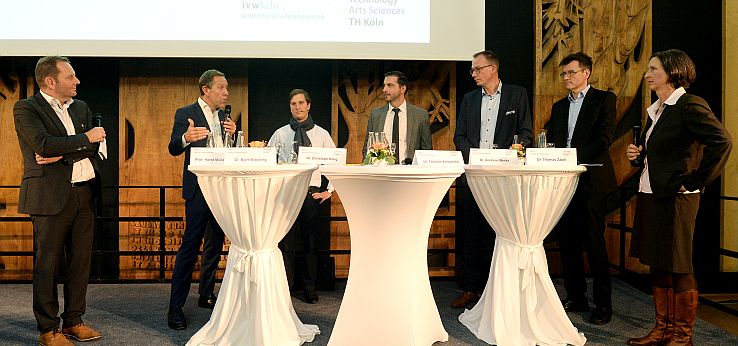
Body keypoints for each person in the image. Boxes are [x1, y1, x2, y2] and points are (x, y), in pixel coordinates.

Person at [626, 49, 732, 345]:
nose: (647, 74)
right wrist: (639, 155)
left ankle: (682, 336)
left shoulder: (688, 104)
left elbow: (722, 141)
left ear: (673, 72)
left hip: (677, 197)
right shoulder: (658, 108)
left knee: (679, 263)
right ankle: (663, 330)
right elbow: (664, 151)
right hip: (652, 192)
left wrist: (696, 180)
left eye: (653, 69)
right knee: (659, 262)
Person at [14, 56, 105, 345]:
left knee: (80, 262)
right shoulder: (27, 108)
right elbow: (42, 145)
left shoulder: (81, 107)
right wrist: (85, 139)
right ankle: (48, 329)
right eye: (71, 77)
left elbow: (99, 145)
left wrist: (65, 153)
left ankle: (73, 321)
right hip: (48, 196)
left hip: (84, 192)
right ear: (51, 82)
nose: (77, 81)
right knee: (48, 265)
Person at [452, 50, 533, 308]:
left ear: (492, 69)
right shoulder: (469, 99)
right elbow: (460, 136)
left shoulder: (516, 94)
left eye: (477, 69)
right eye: (472, 70)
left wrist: (509, 155)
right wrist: (475, 158)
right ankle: (471, 288)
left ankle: (499, 290)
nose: (473, 73)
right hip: (474, 176)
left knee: (500, 233)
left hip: (503, 176)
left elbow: (526, 133)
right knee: (471, 233)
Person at [545, 52, 617, 325]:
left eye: (571, 73)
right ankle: (576, 296)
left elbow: (604, 139)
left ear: (586, 73)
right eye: (563, 74)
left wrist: (570, 157)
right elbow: (551, 138)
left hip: (593, 181)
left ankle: (603, 304)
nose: (566, 77)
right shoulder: (559, 106)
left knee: (594, 243)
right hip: (564, 183)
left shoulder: (604, 99)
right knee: (568, 242)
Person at [166, 69, 235, 330]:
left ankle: (206, 294)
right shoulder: (186, 114)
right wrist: (186, 138)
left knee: (215, 245)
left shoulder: (225, 117)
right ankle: (175, 308)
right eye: (221, 87)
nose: (226, 92)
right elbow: (173, 147)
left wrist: (233, 135)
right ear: (205, 90)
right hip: (198, 192)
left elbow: (230, 154)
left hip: (221, 191)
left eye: (226, 88)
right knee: (190, 246)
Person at [268, 89, 335, 303]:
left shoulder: (321, 134)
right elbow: (268, 160)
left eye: (301, 103)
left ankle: (309, 287)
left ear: (308, 105)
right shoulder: (280, 133)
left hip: (311, 195)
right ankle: (285, 288)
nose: (297, 107)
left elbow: (336, 163)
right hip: (287, 195)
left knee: (310, 245)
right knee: (285, 245)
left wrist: (329, 190)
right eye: (293, 104)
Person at [363, 71, 432, 163]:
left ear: (402, 89)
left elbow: (427, 151)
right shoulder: (376, 115)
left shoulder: (420, 115)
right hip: (382, 172)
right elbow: (367, 148)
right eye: (384, 86)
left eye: (390, 85)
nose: (384, 90)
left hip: (409, 172)